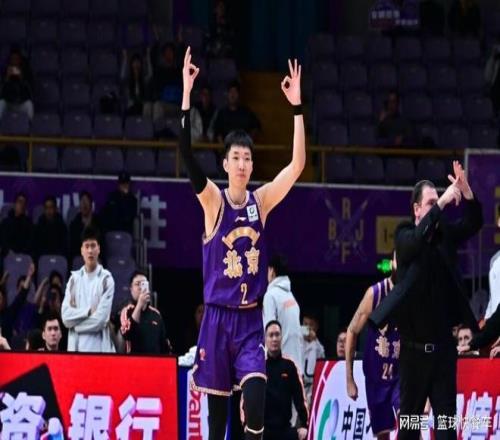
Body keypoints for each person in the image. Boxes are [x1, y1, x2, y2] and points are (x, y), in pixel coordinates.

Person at [181, 46, 305, 439]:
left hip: (250, 320)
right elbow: (186, 156)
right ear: (225, 163)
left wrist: (297, 108)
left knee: (255, 402)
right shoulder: (212, 201)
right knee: (217, 423)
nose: (242, 163)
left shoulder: (260, 202)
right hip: (217, 319)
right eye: (235, 157)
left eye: (247, 158)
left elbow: (297, 166)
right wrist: (186, 95)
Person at [371, 161, 483, 439]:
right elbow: (416, 242)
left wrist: (467, 193)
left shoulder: (445, 236)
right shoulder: (404, 235)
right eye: (431, 203)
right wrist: (443, 202)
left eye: (438, 201)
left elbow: (474, 223)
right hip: (413, 354)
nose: (437, 206)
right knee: (410, 427)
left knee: (446, 427)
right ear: (417, 209)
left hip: (444, 352)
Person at [346, 252, 399, 440]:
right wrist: (349, 379)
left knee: (410, 425)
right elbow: (352, 331)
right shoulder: (375, 293)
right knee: (383, 435)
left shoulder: (414, 294)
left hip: (402, 375)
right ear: (391, 263)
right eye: (398, 258)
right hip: (376, 377)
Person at [62, 227, 115, 352]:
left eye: (93, 246)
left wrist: (76, 326)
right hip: (77, 350)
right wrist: (88, 312)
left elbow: (101, 320)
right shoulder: (74, 280)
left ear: (99, 249)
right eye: (87, 246)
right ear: (82, 250)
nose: (90, 250)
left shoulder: (106, 279)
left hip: (100, 350)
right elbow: (66, 318)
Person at [264, 320, 308, 440]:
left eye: (277, 334)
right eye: (271, 335)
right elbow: (247, 398)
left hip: (284, 429)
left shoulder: (290, 366)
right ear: (265, 339)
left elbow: (300, 398)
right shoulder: (258, 367)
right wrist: (246, 424)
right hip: (263, 430)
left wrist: (304, 425)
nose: (274, 339)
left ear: (281, 337)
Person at [263, 254, 303, 372]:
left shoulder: (270, 296)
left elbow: (269, 331)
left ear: (272, 271)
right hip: (296, 364)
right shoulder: (290, 296)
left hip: (280, 366)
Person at [119, 271, 170, 354]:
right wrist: (139, 304)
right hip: (135, 360)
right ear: (131, 289)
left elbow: (164, 344)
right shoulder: (127, 311)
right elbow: (127, 334)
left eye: (143, 284)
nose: (140, 287)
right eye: (137, 284)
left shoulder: (156, 314)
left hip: (155, 360)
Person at [0, 48, 34, 120]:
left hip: (21, 103)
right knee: (1, 103)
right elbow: (1, 90)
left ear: (20, 60)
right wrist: (7, 78)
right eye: (13, 59)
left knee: (29, 105)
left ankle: (29, 125)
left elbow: (30, 89)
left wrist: (22, 78)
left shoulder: (25, 71)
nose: (15, 61)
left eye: (16, 59)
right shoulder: (5, 71)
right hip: (9, 103)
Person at [120, 49, 153, 117]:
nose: (136, 64)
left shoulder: (143, 79)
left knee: (148, 106)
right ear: (131, 64)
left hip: (141, 106)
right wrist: (125, 58)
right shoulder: (129, 79)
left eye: (138, 62)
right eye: (134, 62)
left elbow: (150, 74)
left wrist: (148, 56)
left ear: (141, 64)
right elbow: (122, 76)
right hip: (131, 106)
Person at [69, 191, 100, 260]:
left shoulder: (99, 223)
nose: (84, 204)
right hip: (79, 257)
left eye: (87, 201)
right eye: (82, 202)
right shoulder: (74, 225)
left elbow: (101, 245)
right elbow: (73, 247)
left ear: (91, 205)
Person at [302, 312, 325, 406]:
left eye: (311, 325)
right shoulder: (296, 341)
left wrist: (314, 340)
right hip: (296, 387)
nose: (307, 328)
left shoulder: (319, 347)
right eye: (305, 324)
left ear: (316, 327)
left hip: (311, 388)